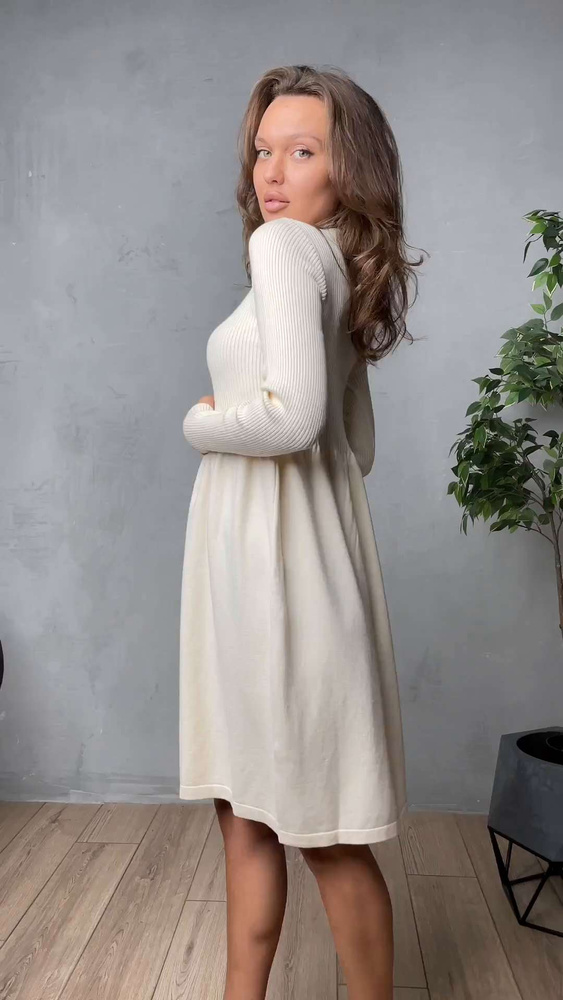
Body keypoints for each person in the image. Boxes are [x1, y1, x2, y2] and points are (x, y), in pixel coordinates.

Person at [180, 64, 424, 1000]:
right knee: (267, 813)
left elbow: (293, 423)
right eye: (263, 150)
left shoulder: (282, 248)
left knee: (287, 822)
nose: (272, 173)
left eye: (303, 150)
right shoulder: (340, 264)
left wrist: (202, 424)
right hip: (303, 557)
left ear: (346, 169)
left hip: (262, 566)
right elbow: (356, 447)